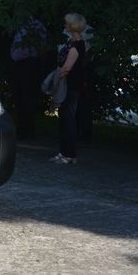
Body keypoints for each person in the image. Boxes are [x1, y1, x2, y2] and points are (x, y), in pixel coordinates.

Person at [50, 13, 87, 165]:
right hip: (68, 84)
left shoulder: (77, 45)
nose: (65, 25)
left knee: (68, 119)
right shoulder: (72, 42)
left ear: (72, 26)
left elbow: (67, 68)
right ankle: (64, 151)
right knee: (64, 118)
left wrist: (55, 79)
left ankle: (70, 154)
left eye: (67, 23)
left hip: (70, 85)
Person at [10, 16, 47, 139]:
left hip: (29, 64)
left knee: (27, 96)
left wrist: (38, 64)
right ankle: (21, 126)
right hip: (19, 64)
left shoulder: (37, 26)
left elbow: (41, 47)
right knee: (18, 96)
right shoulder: (21, 24)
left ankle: (28, 128)